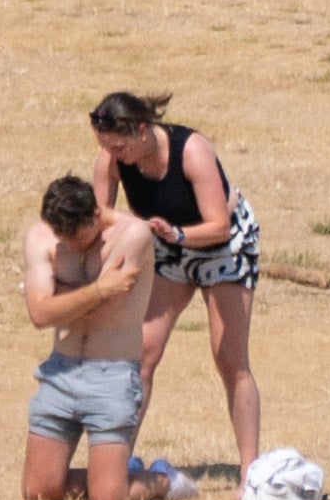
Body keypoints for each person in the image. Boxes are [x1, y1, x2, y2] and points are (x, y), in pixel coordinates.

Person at [88, 91, 261, 466]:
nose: (114, 155)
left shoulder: (192, 150)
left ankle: (252, 471)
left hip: (224, 246)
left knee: (229, 357)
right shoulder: (113, 160)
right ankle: (116, 463)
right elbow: (99, 218)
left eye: (119, 146)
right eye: (107, 147)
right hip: (169, 245)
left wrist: (178, 236)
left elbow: (217, 226)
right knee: (143, 354)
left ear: (142, 130)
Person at [18, 175, 189, 500]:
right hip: (60, 372)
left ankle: (163, 479)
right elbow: (39, 315)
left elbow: (103, 315)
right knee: (37, 492)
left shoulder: (133, 234)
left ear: (95, 215)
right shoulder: (40, 237)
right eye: (61, 236)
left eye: (77, 237)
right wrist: (97, 290)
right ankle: (112, 473)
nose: (69, 244)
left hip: (112, 376)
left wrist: (58, 298)